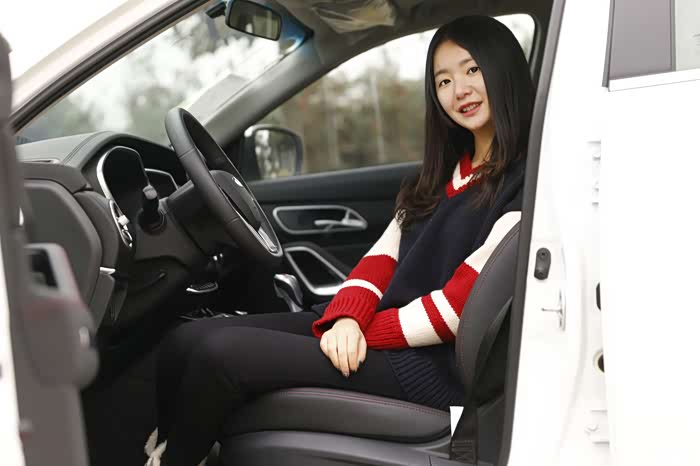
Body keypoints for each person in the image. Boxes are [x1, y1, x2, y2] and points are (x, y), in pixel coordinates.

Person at [144, 15, 535, 466]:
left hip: (429, 364)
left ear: (502, 68)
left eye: (472, 70)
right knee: (185, 340)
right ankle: (167, 453)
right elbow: (381, 260)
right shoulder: (440, 175)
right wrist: (347, 316)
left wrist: (362, 330)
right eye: (443, 80)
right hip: (385, 332)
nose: (459, 90)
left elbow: (456, 309)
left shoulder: (523, 183)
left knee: (220, 356)